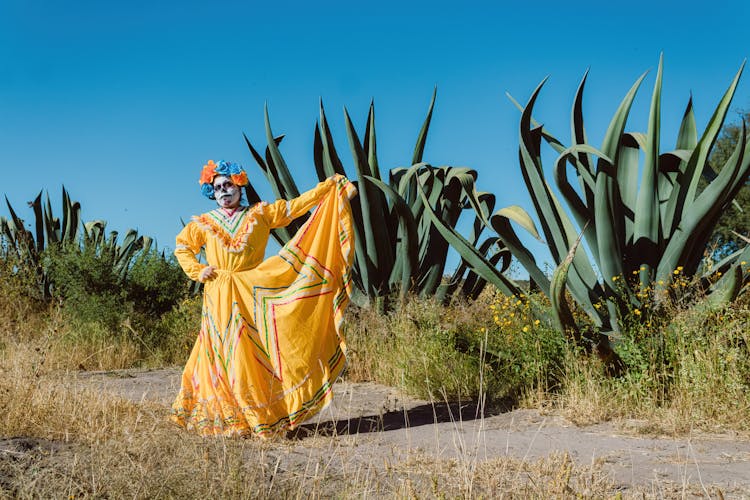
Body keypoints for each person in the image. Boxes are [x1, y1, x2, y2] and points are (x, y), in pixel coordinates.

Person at [170, 159, 357, 438]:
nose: (223, 191)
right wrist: (198, 269)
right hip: (218, 290)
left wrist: (326, 189)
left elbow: (295, 207)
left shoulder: (260, 214)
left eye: (228, 185)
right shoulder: (204, 223)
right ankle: (229, 418)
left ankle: (257, 415)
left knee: (254, 351)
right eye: (217, 187)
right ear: (212, 192)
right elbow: (182, 246)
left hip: (252, 290)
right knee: (223, 350)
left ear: (239, 185)